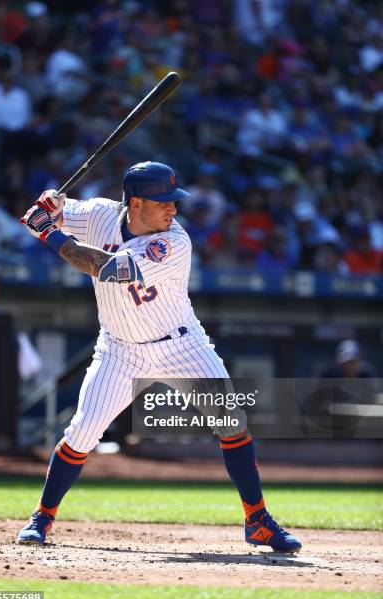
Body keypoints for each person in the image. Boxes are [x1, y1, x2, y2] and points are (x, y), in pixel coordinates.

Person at [17, 161, 301, 553]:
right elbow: (60, 209)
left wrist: (46, 231)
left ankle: (258, 520)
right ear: (134, 203)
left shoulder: (174, 242)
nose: (173, 208)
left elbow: (105, 268)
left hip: (181, 345)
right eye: (163, 201)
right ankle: (42, 517)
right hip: (119, 349)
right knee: (81, 432)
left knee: (231, 422)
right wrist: (51, 207)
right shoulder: (101, 214)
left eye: (174, 200)